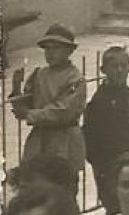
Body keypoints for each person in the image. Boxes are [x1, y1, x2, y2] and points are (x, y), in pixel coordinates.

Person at [13, 25, 87, 171]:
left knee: (61, 185)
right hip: (40, 138)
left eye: (56, 48)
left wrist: (30, 114)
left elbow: (63, 111)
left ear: (69, 51)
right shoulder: (39, 74)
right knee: (36, 183)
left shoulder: (75, 79)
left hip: (64, 139)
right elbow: (23, 107)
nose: (50, 53)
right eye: (47, 48)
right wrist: (16, 87)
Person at [83, 46, 129, 215]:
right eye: (114, 66)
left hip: (128, 160)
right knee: (113, 204)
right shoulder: (98, 100)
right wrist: (99, 166)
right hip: (107, 165)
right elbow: (90, 136)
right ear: (103, 70)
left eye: (124, 66)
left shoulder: (128, 94)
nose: (119, 70)